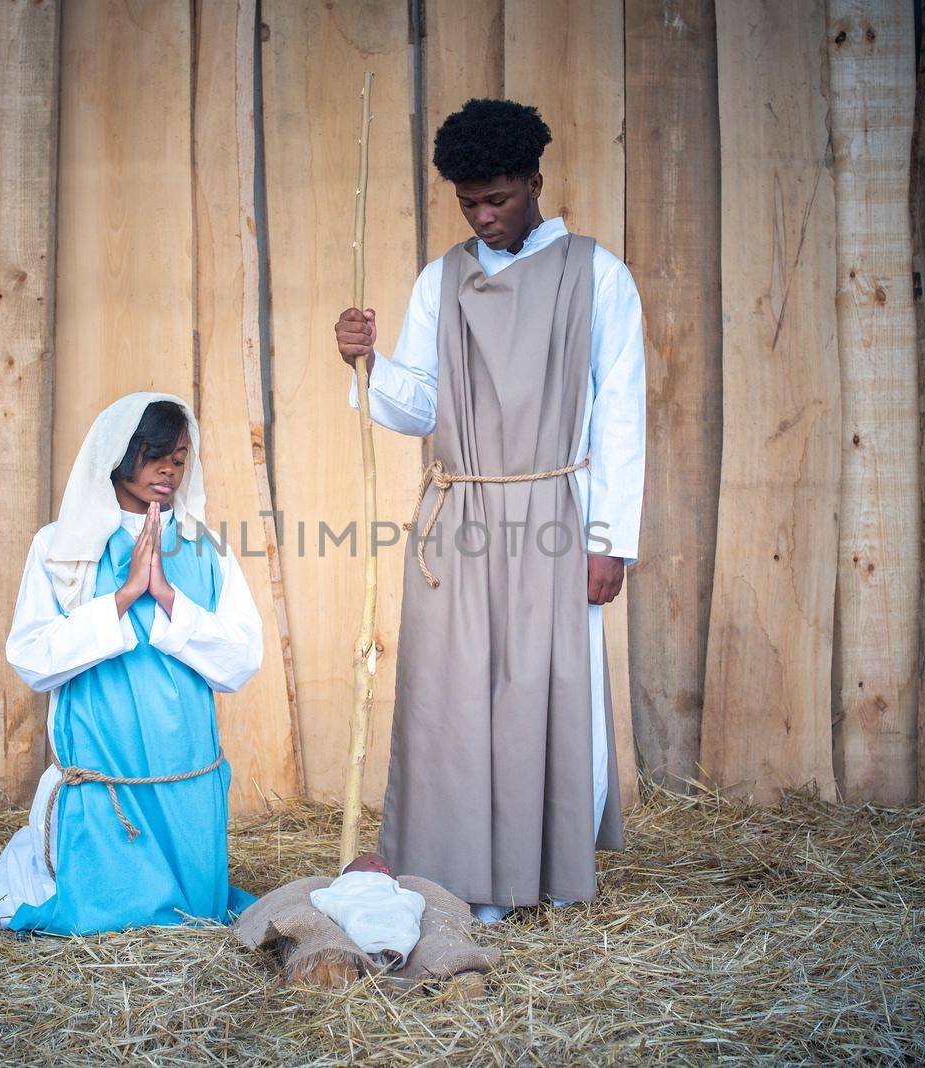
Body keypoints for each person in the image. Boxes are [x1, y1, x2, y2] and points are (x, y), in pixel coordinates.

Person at [333, 99, 646, 924]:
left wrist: (610, 541)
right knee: (452, 694)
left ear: (535, 181)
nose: (483, 215)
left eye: (498, 198)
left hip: (552, 510)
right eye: (469, 201)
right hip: (461, 513)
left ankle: (535, 873)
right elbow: (417, 409)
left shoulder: (596, 274)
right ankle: (458, 877)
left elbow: (621, 411)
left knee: (538, 688)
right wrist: (367, 364)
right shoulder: (441, 279)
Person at [0, 393, 262, 933]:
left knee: (194, 913)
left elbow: (241, 661)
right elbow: (33, 658)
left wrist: (168, 597)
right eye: (155, 453)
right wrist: (125, 596)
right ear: (118, 453)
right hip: (105, 788)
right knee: (111, 913)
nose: (168, 470)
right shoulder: (61, 549)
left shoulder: (207, 549)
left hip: (186, 785)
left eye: (179, 458)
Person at [308, 853, 427, 967]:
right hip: (358, 906)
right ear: (350, 871)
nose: (384, 868)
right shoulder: (347, 883)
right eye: (372, 862)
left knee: (405, 919)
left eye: (389, 869)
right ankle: (365, 949)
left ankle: (396, 949)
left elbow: (413, 900)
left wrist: (409, 903)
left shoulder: (391, 884)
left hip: (390, 907)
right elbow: (326, 897)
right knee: (353, 916)